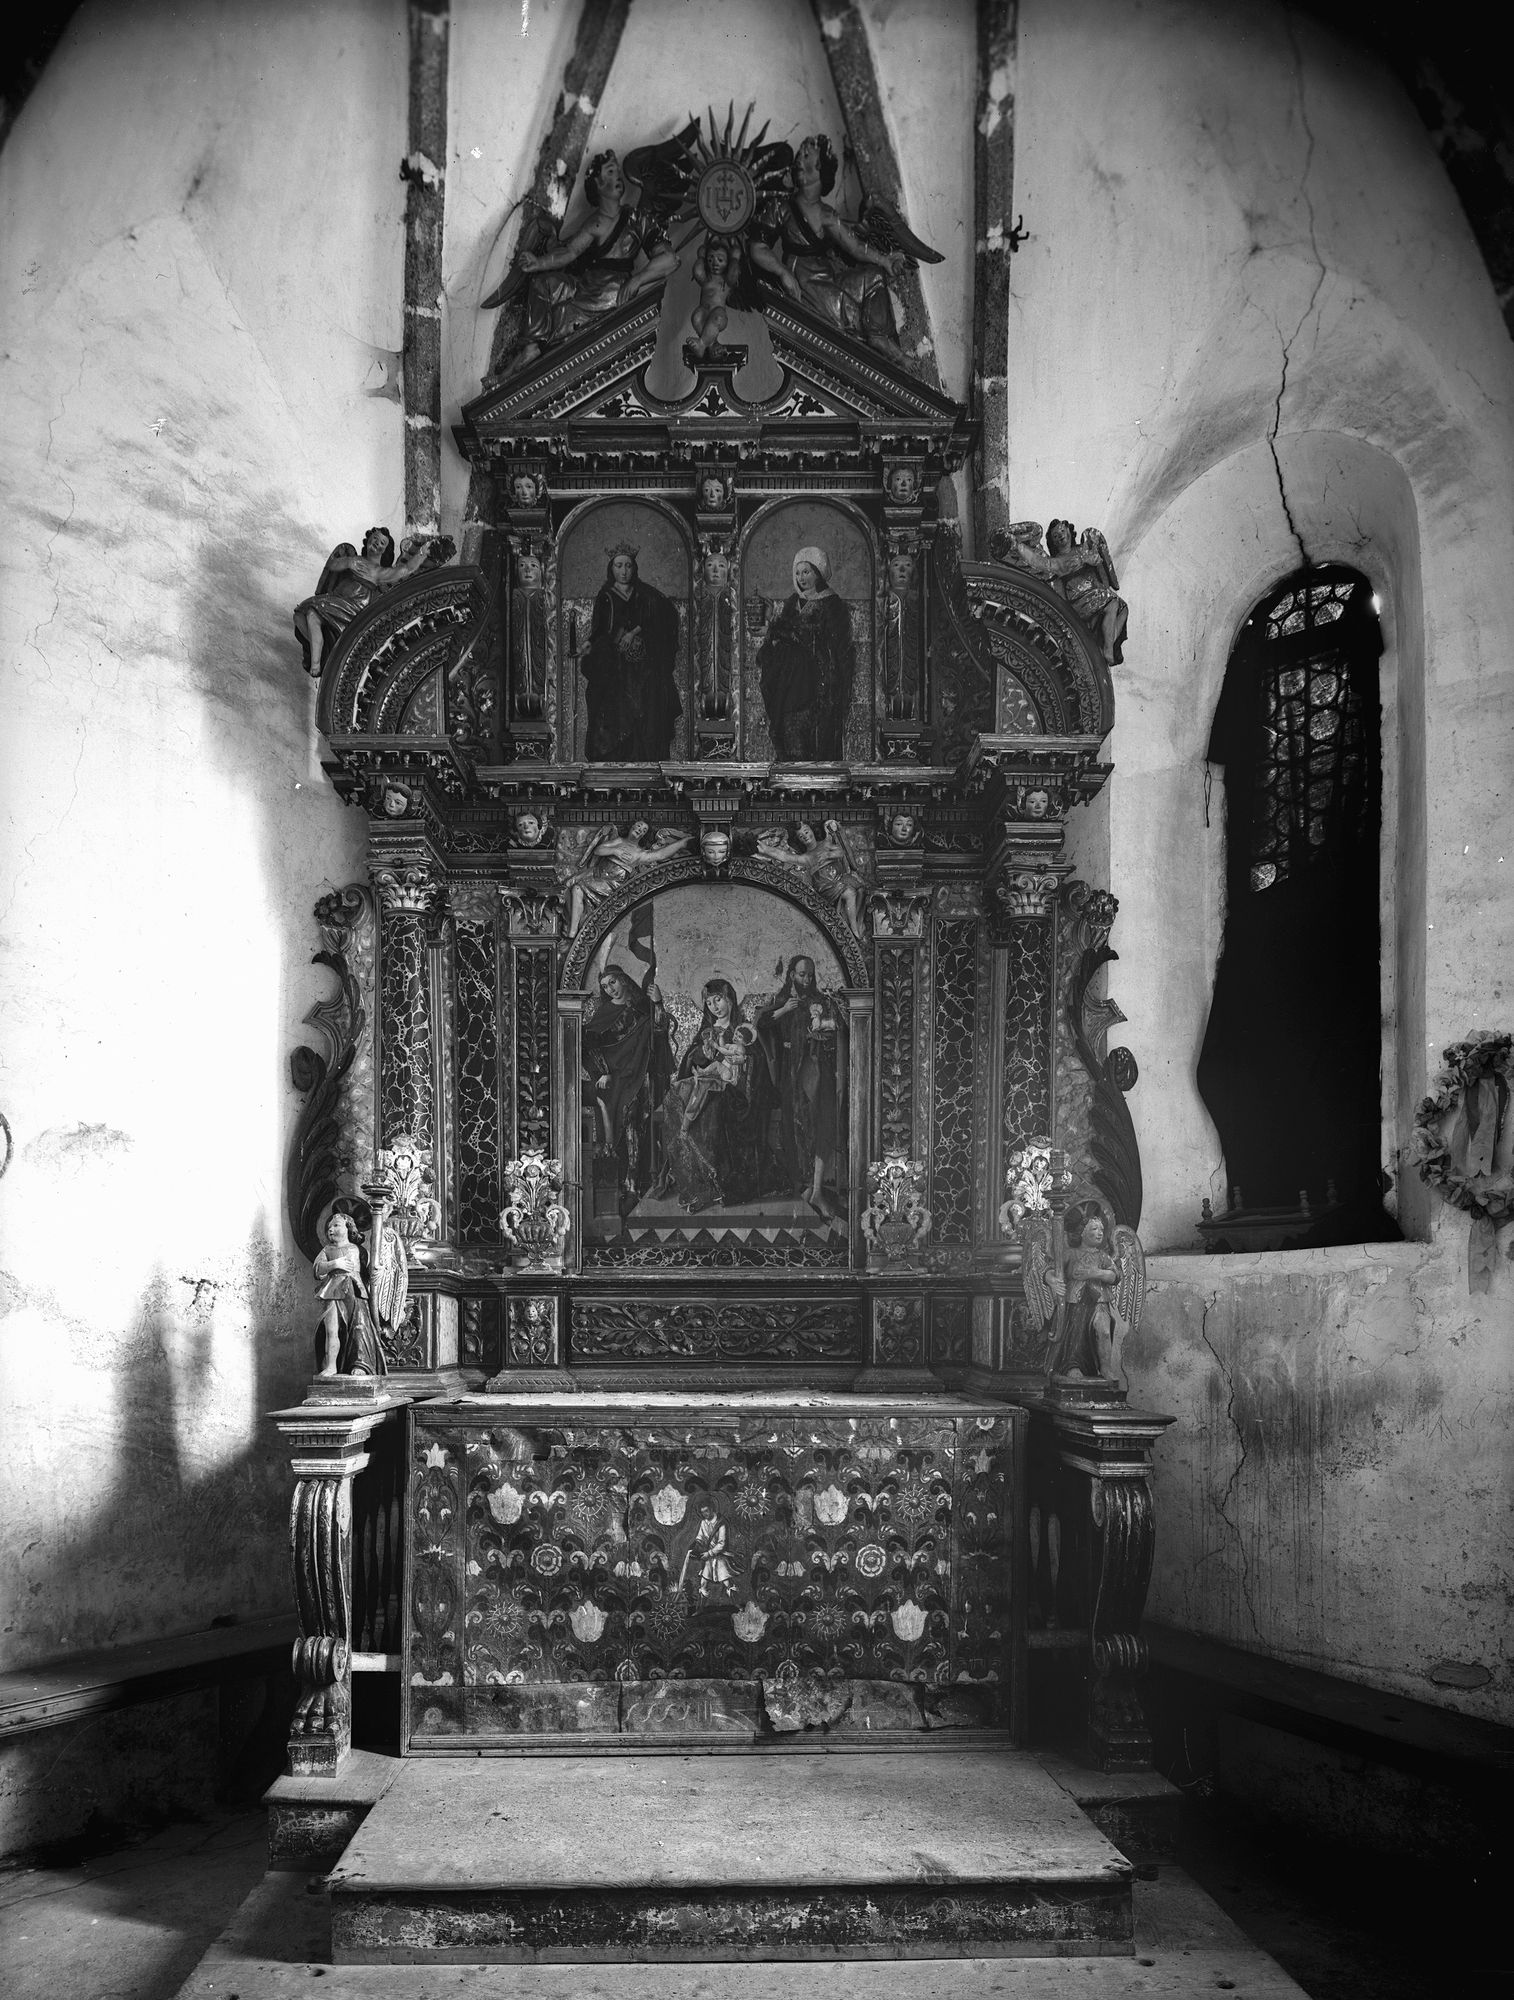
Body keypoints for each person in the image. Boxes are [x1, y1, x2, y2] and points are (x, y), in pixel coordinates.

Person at [507, 150, 678, 373]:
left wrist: (637, 279)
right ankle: (532, 347)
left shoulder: (638, 220)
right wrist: (537, 263)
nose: (617, 177)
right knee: (543, 284)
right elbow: (569, 252)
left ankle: (528, 359)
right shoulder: (594, 223)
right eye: (610, 172)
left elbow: (670, 260)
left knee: (562, 314)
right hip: (585, 285)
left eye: (617, 172)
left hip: (612, 291)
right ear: (597, 184)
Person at [750, 134, 908, 364]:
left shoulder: (827, 214)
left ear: (819, 168)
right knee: (848, 309)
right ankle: (887, 355)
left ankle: (878, 337)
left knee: (874, 277)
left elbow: (854, 246)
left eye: (806, 155)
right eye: (800, 155)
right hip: (805, 279)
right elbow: (757, 246)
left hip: (829, 273)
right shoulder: (781, 208)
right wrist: (782, 272)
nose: (798, 161)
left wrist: (885, 261)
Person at [658, 979, 765, 1211]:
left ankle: (714, 1187)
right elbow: (691, 1059)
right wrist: (701, 1054)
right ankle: (695, 1184)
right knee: (673, 1098)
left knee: (710, 1109)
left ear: (730, 999)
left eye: (718, 1000)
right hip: (706, 1082)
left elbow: (755, 1061)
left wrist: (742, 1061)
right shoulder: (707, 1030)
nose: (714, 1006)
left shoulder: (742, 1030)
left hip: (732, 1091)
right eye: (709, 1002)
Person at [582, 964, 673, 1209]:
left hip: (641, 1075)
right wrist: (603, 1072)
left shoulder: (643, 1006)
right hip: (615, 1080)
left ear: (623, 980)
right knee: (621, 1119)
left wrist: (658, 1004)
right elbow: (588, 1044)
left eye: (612, 982)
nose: (610, 989)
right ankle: (622, 1184)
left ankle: (635, 1183)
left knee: (637, 1120)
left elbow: (659, 1033)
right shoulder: (605, 1012)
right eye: (604, 986)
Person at [293, 527, 440, 678]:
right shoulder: (355, 560)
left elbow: (406, 569)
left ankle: (317, 663)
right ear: (368, 540)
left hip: (354, 607)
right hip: (337, 601)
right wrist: (349, 561)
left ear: (385, 550)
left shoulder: (379, 571)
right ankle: (322, 652)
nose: (377, 543)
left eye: (382, 542)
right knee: (301, 615)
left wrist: (422, 552)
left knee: (311, 612)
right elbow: (332, 566)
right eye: (375, 539)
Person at [581, 545, 682, 761]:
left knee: (648, 703)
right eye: (619, 566)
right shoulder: (605, 595)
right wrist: (590, 644)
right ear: (612, 569)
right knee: (613, 705)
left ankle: (644, 756)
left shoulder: (643, 594)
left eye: (628, 566)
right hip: (614, 663)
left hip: (640, 664)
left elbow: (654, 618)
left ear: (634, 568)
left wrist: (634, 633)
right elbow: (600, 629)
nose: (624, 571)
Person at [756, 955, 841, 1208]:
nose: (807, 979)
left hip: (815, 1068)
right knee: (796, 1126)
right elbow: (760, 1024)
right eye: (802, 974)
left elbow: (833, 1029)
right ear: (791, 974)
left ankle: (816, 1188)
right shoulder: (781, 1001)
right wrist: (785, 1010)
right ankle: (804, 1186)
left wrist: (823, 1031)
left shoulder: (819, 1001)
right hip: (789, 1072)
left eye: (810, 975)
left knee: (820, 1121)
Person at [756, 546, 854, 760]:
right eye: (798, 572)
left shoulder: (833, 604)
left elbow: (831, 644)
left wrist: (777, 630)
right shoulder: (793, 602)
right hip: (791, 683)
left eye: (806, 571)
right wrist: (772, 630)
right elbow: (783, 637)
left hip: (819, 684)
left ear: (818, 572)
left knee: (816, 738)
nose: (801, 577)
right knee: (788, 730)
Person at [312, 1213, 387, 1378]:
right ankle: (331, 1366)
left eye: (336, 1225)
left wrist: (377, 1273)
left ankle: (360, 1365)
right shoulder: (327, 1250)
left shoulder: (358, 1250)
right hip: (332, 1292)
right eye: (329, 1227)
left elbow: (369, 1274)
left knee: (359, 1328)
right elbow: (317, 1270)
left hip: (355, 1292)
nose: (331, 1229)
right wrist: (334, 1264)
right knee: (331, 1331)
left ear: (348, 1228)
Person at [1053, 1212, 1123, 1377]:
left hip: (1099, 1300)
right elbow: (1051, 1270)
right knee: (1076, 1334)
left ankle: (1105, 1367)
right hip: (1075, 1301)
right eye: (1094, 1228)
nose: (1100, 1232)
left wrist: (1096, 1273)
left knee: (1104, 1331)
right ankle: (1072, 1365)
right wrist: (1052, 1281)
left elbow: (1115, 1276)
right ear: (1082, 1232)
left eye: (1101, 1229)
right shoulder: (1070, 1253)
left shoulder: (1102, 1256)